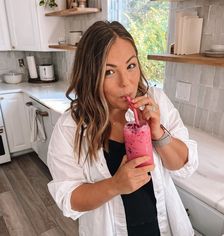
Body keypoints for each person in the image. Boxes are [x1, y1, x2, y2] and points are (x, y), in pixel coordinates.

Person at [47, 20, 198, 236]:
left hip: (163, 228)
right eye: (109, 72)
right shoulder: (72, 126)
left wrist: (159, 134)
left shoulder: (156, 102)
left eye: (130, 66)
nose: (126, 83)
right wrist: (115, 185)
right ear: (90, 76)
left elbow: (184, 164)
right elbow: (68, 196)